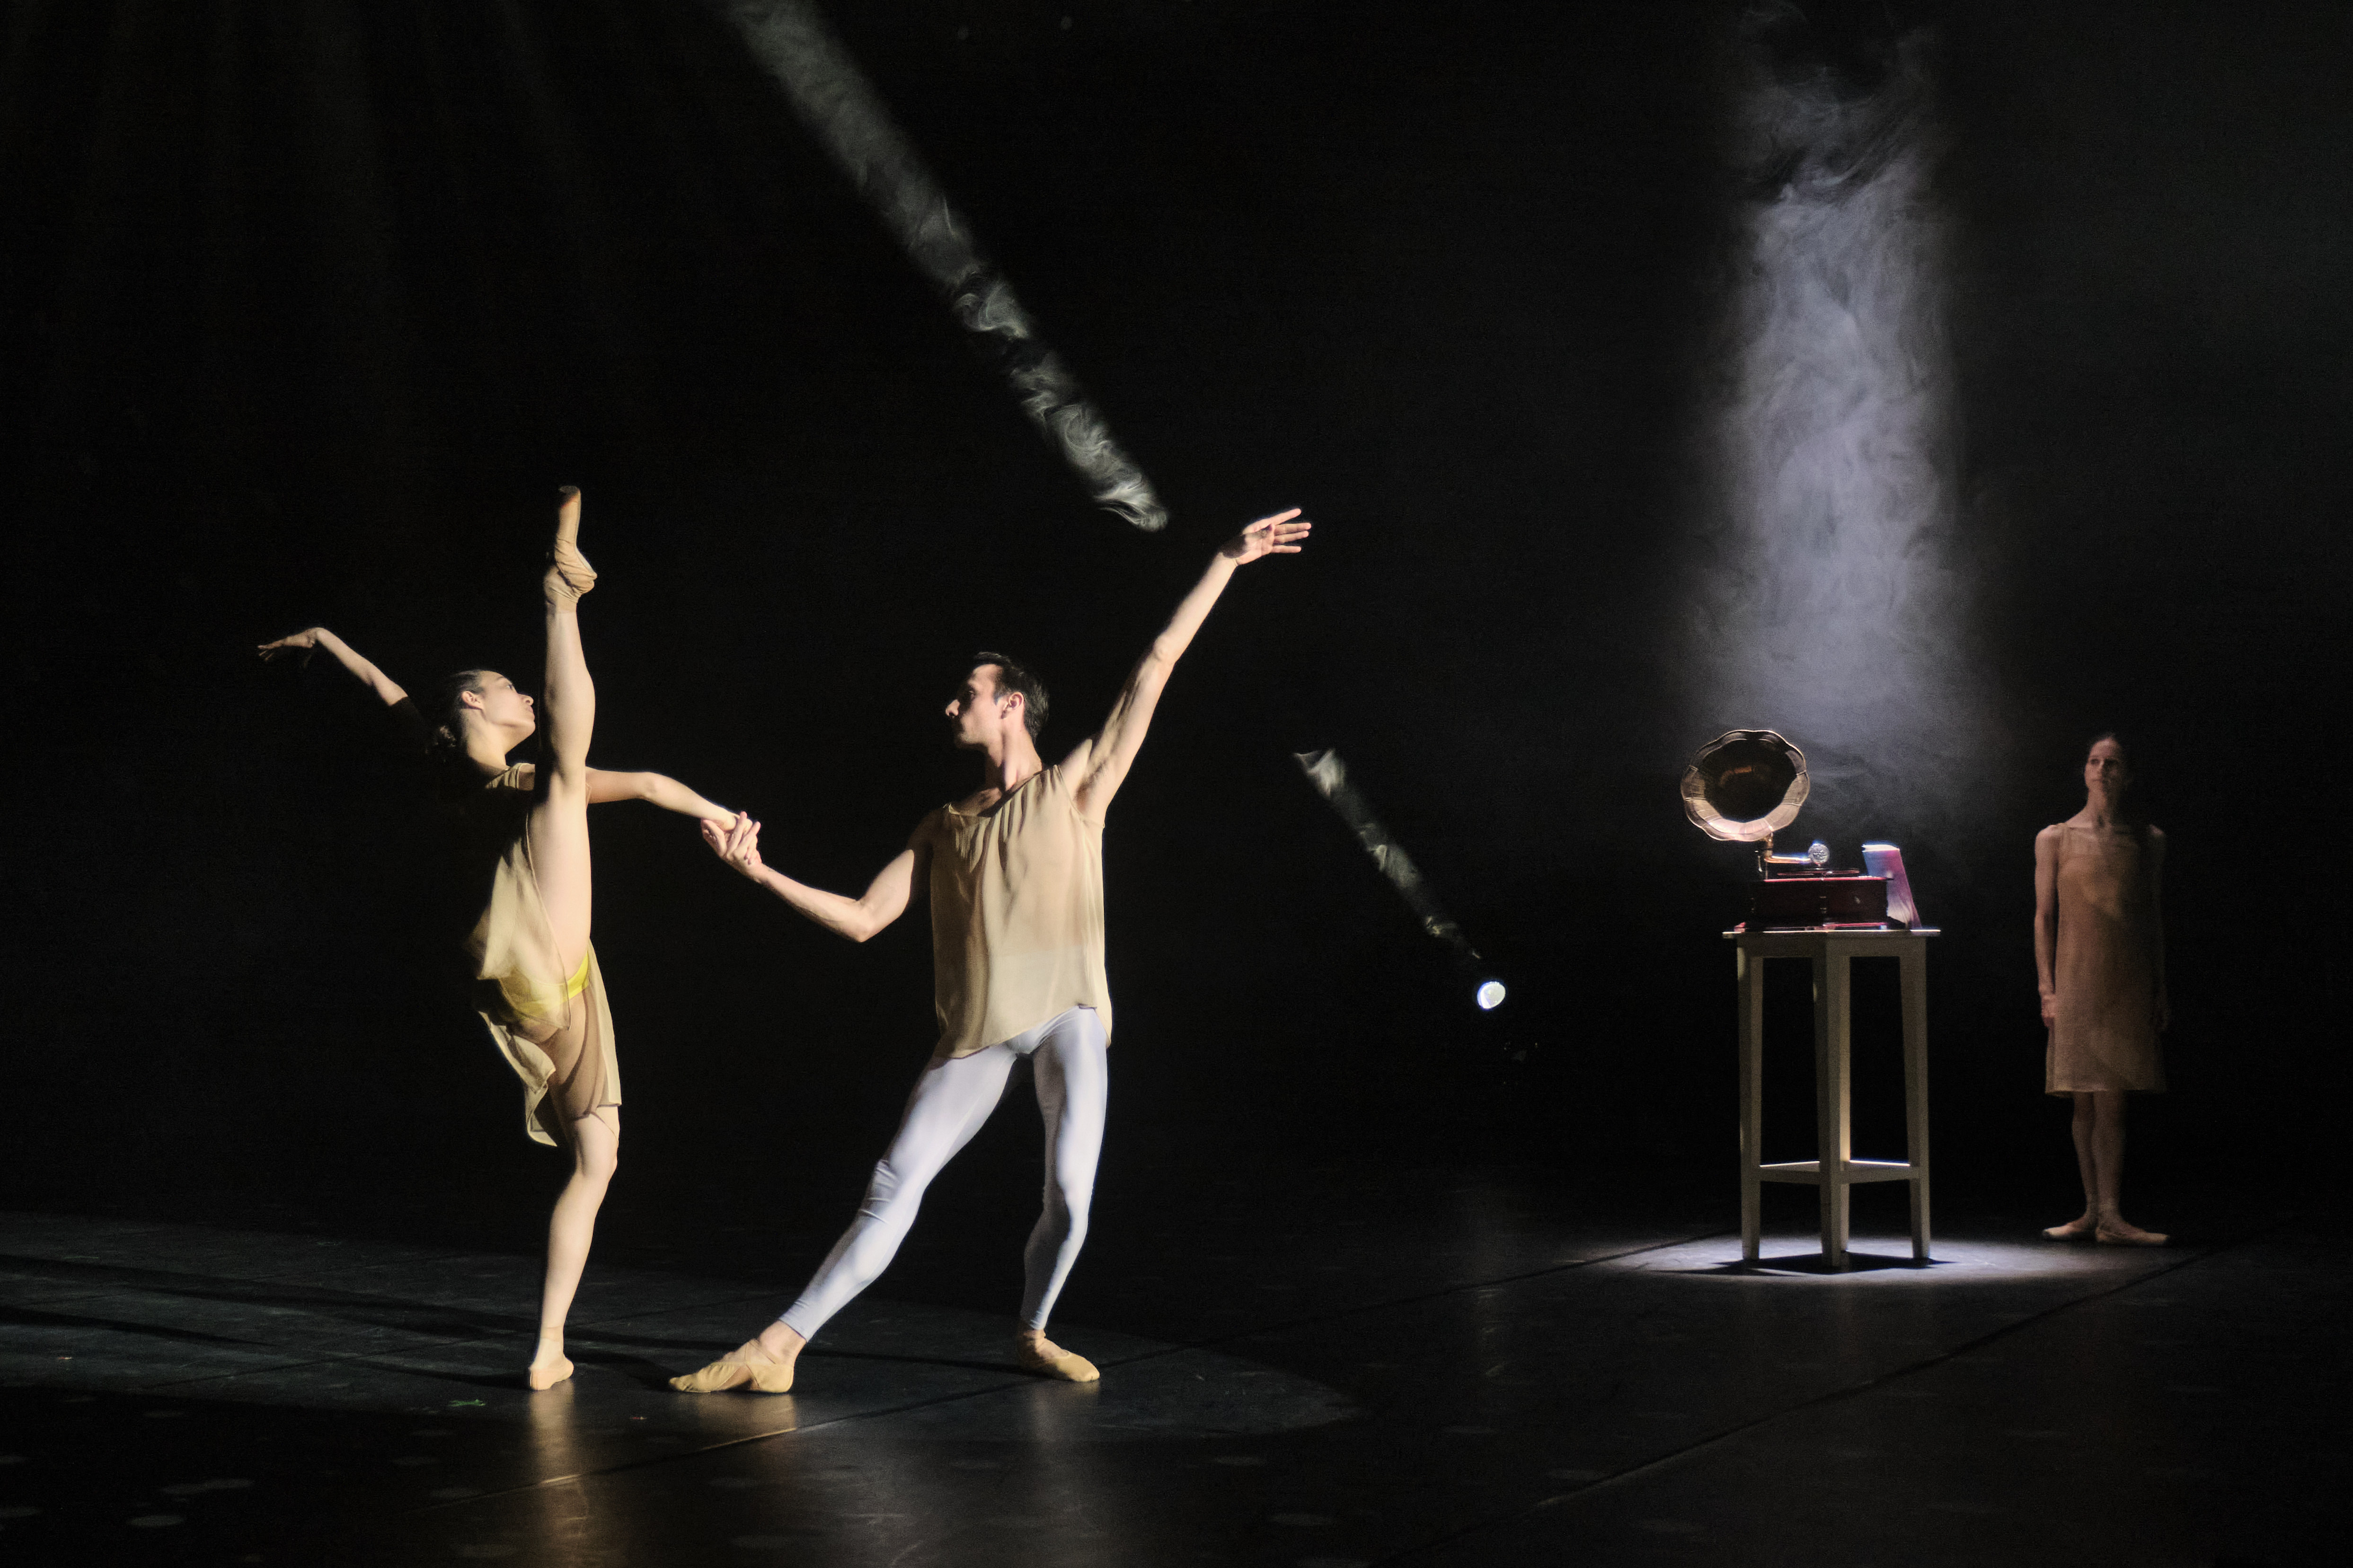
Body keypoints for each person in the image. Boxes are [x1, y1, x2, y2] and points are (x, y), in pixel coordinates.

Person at [670, 506, 1312, 1395]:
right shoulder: (942, 823)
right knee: (893, 1182)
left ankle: (1032, 1330)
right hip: (976, 1031)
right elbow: (863, 918)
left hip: (1066, 1014)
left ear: (1010, 703)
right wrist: (759, 872)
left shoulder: (1077, 785)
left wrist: (1225, 562)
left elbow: (1157, 662)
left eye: (965, 693)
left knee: (1071, 1194)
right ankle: (776, 1348)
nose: (950, 705)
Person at [259, 488, 738, 1387]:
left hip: (546, 993)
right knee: (564, 770)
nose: (523, 693)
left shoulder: (452, 766)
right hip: (537, 963)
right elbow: (432, 712)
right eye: (513, 686)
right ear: (476, 701)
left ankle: (549, 1344)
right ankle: (560, 603)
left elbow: (393, 695)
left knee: (598, 1159)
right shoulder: (501, 781)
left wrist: (326, 640)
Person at [2035, 733, 2169, 1246]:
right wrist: (2047, 987)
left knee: (2112, 1100)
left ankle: (2111, 1214)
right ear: (2084, 771)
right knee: (2083, 1101)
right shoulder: (2055, 838)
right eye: (2095, 761)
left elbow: (2153, 919)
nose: (2102, 770)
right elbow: (2043, 916)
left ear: (2127, 775)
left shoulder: (2147, 840)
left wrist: (2160, 988)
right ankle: (2093, 1211)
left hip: (2126, 981)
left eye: (2112, 763)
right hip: (2076, 979)